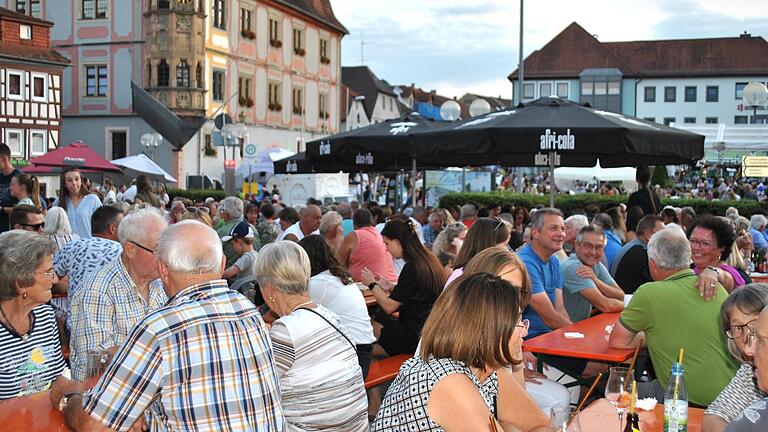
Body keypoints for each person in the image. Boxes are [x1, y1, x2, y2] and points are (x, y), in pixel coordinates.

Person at [52, 221, 283, 431]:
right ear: (222, 263)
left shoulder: (161, 327)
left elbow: (93, 426)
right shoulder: (247, 311)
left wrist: (67, 395)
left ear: (163, 268)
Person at [371, 273, 549, 432]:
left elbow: (541, 426)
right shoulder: (448, 379)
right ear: (488, 330)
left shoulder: (488, 369)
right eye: (517, 321)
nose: (525, 331)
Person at [609, 225, 739, 406]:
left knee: (615, 392)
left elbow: (618, 342)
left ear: (652, 263)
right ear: (688, 258)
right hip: (733, 393)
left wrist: (651, 334)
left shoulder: (649, 293)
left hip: (691, 398)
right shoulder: (713, 286)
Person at [255, 241, 368, 431]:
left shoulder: (285, 330)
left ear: (270, 290)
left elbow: (258, 387)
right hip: (355, 426)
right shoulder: (331, 316)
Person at [462, 248, 572, 411]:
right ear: (477, 285)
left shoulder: (512, 327)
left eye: (516, 291)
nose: (509, 297)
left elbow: (517, 405)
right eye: (501, 286)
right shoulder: (458, 332)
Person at [68, 208, 168, 380]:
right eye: (157, 251)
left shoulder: (159, 283)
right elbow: (94, 365)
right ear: (130, 249)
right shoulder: (97, 290)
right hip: (109, 398)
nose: (165, 258)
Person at [362, 218, 446, 356]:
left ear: (397, 241)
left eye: (387, 244)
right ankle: (383, 352)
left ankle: (377, 355)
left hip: (415, 337)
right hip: (430, 333)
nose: (386, 249)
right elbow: (418, 292)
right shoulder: (429, 260)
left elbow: (389, 307)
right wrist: (391, 286)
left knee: (376, 316)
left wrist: (371, 283)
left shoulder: (412, 266)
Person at [299, 234, 376, 377]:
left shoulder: (318, 283)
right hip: (363, 352)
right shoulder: (338, 278)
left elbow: (290, 311)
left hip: (352, 356)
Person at [0, 231, 65, 399]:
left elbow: (58, 377)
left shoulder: (45, 315)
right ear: (21, 282)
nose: (55, 279)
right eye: (48, 272)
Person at [703, 284, 768, 432]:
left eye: (755, 327)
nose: (747, 337)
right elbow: (714, 415)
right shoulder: (749, 371)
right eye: (739, 328)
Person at [519, 208, 572, 339]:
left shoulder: (554, 260)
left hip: (549, 336)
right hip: (527, 341)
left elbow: (560, 310)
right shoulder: (525, 262)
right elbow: (549, 318)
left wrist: (574, 335)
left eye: (563, 229)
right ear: (535, 233)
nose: (561, 234)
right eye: (553, 228)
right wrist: (580, 334)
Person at [53, 206, 124, 303]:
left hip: (74, 316)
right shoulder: (122, 251)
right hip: (112, 316)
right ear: (112, 229)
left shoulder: (73, 246)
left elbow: (49, 279)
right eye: (123, 226)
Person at [562, 224, 624, 322]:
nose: (593, 252)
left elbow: (620, 295)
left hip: (579, 326)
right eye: (588, 246)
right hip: (563, 330)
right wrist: (632, 305)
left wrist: (595, 280)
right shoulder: (574, 267)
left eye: (599, 247)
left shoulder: (596, 264)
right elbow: (605, 305)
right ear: (577, 246)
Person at [723, 303, 768, 431]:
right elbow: (716, 413)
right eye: (737, 327)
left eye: (759, 340)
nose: (749, 349)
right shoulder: (749, 371)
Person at [610, 214, 666, 294]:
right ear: (648, 235)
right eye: (662, 234)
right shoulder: (642, 253)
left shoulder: (634, 246)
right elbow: (660, 283)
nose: (665, 238)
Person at [446, 217, 511, 285]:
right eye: (505, 245)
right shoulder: (460, 277)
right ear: (489, 245)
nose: (507, 250)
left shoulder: (501, 273)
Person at [689, 215, 745, 292]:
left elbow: (725, 278)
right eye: (693, 241)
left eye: (705, 243)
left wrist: (714, 272)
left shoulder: (730, 273)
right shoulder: (691, 270)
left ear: (722, 247)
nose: (696, 247)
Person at [340, 208, 397, 283]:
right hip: (391, 281)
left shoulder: (354, 236)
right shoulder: (379, 233)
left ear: (354, 224)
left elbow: (340, 263)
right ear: (371, 221)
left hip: (366, 287)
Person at [55, 168, 102, 238]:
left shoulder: (93, 200)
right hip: (67, 246)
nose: (74, 183)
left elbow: (101, 225)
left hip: (88, 245)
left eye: (77, 179)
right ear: (64, 184)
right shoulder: (58, 202)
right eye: (69, 180)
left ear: (81, 181)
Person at [216, 196, 248, 266]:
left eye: (223, 210)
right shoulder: (252, 228)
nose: (222, 213)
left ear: (227, 214)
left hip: (229, 272)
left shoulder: (222, 232)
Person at [0, 143, 22, 232]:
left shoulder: (20, 177)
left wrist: (2, 209)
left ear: (4, 159)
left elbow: (25, 208)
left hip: (11, 231)